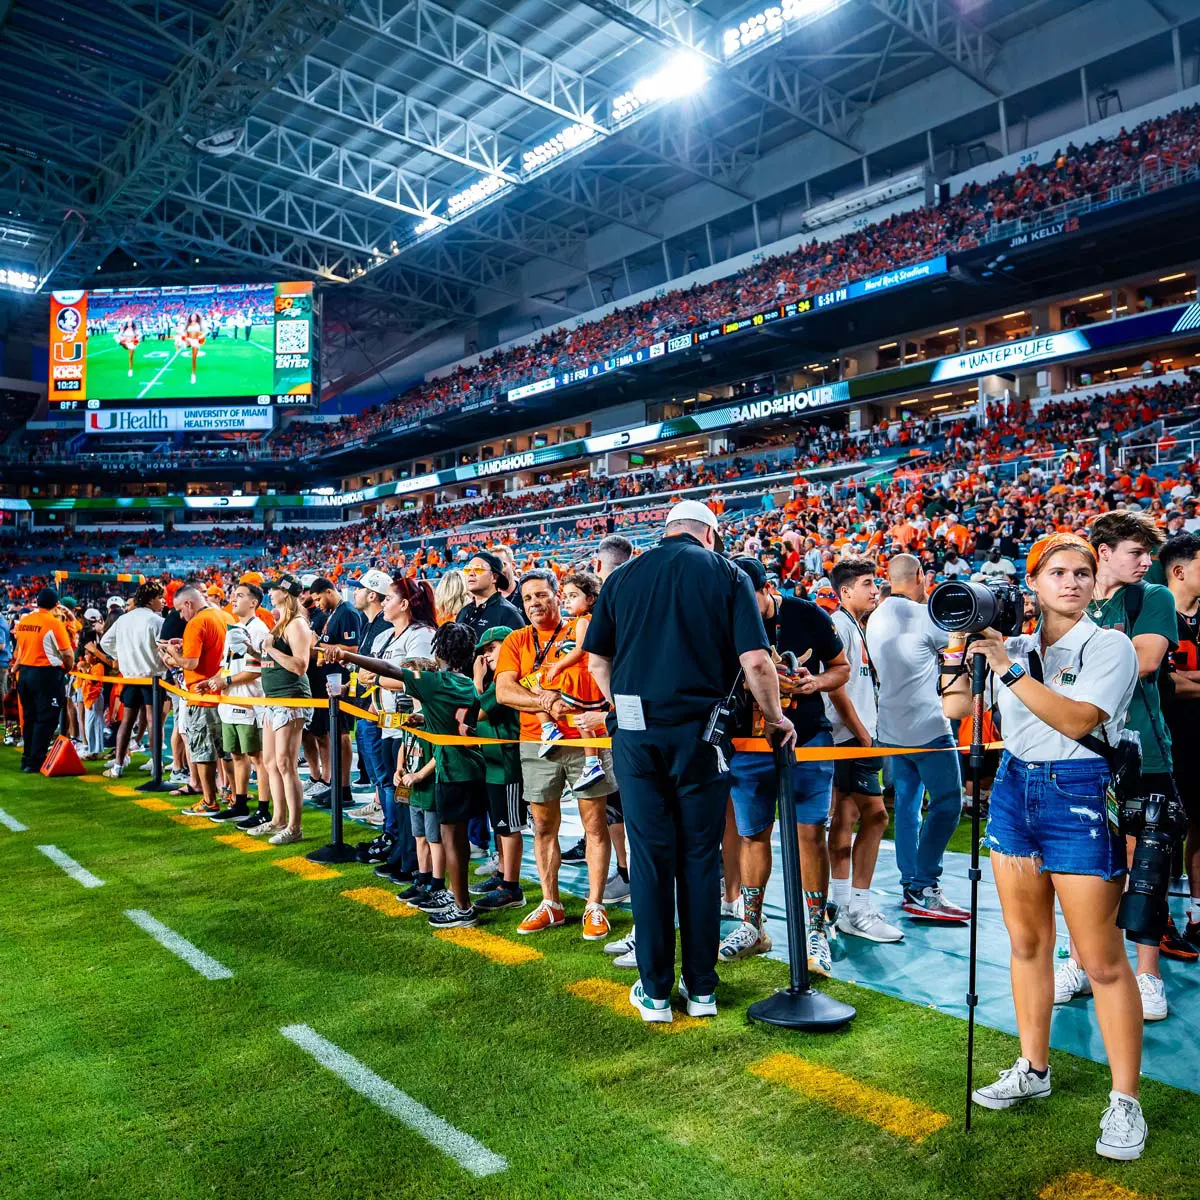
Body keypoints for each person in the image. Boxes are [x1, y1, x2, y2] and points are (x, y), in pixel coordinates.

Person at [942, 532, 1147, 1162]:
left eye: (1083, 572)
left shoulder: (1109, 644)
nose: (1072, 582)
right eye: (1056, 571)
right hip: (1013, 788)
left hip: (1081, 792)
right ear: (1032, 583)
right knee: (1027, 943)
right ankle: (1034, 1067)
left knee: (1101, 957)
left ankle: (1125, 1100)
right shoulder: (1017, 644)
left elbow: (1079, 720)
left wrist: (1004, 665)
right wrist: (961, 647)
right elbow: (952, 705)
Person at [585, 500, 796, 1023]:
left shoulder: (623, 575)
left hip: (636, 732)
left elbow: (596, 660)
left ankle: (655, 992)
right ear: (710, 534)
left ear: (667, 530)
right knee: (701, 858)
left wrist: (621, 707)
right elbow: (754, 659)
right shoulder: (726, 572)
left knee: (652, 859)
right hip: (704, 735)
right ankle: (701, 989)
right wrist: (775, 717)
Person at [1057, 510, 1176, 1020]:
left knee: (1147, 866)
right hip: (1081, 753)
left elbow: (1146, 659)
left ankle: (1148, 975)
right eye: (1136, 552)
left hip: (1145, 750)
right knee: (1081, 865)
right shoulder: (1071, 602)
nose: (1147, 563)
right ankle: (1080, 962)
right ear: (1103, 553)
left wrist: (1081, 659)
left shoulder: (1152, 596)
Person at [721, 554, 851, 976]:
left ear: (766, 589)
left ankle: (816, 930)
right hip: (747, 744)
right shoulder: (722, 617)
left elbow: (841, 668)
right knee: (751, 835)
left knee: (809, 834)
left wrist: (814, 682)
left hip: (808, 740)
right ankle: (753, 925)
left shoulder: (806, 613)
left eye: (748, 597)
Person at [326, 624, 486, 928]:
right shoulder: (465, 683)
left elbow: (388, 669)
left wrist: (348, 655)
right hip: (471, 765)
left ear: (438, 650)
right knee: (458, 840)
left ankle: (462, 907)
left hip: (451, 769)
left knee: (451, 840)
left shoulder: (435, 682)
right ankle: (458, 896)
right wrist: (426, 718)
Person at [496, 568, 617, 942]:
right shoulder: (517, 640)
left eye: (542, 595)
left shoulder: (582, 627)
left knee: (594, 825)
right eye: (528, 597)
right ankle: (552, 903)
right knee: (544, 826)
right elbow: (504, 692)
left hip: (588, 739)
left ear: (557, 596)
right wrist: (546, 701)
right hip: (537, 740)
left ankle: (595, 905)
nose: (535, 603)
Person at [866, 553, 970, 922]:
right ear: (921, 576)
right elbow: (962, 642)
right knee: (948, 802)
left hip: (891, 728)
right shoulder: (926, 616)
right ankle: (925, 885)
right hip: (927, 727)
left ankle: (911, 882)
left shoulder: (875, 615)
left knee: (908, 807)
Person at [824, 558, 902, 944]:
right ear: (845, 591)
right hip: (850, 738)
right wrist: (862, 734)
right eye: (868, 583)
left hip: (852, 736)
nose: (875, 590)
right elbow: (837, 687)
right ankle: (857, 907)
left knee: (846, 817)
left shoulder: (854, 625)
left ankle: (841, 905)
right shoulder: (841, 626)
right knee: (875, 815)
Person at [360, 578, 436, 881]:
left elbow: (414, 679)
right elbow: (370, 672)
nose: (384, 603)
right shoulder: (386, 637)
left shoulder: (421, 636)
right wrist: (378, 692)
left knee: (410, 798)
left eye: (389, 598)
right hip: (389, 725)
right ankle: (403, 854)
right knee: (398, 792)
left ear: (404, 604)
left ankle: (415, 862)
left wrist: (377, 681)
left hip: (411, 725)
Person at [1158, 532, 1200, 955]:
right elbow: (1163, 682)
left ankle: (1197, 916)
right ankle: (1163, 917)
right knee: (1166, 831)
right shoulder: (1157, 611)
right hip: (1166, 738)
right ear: (1180, 570)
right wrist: (1182, 685)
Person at [158, 585, 232, 819]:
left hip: (202, 695)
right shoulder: (222, 615)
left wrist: (172, 653)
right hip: (225, 693)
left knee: (203, 751)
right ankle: (230, 793)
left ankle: (209, 801)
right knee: (227, 751)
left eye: (181, 609)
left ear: (189, 604)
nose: (181, 615)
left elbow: (190, 663)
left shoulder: (197, 622)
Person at [468, 625, 528, 911]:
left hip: (508, 764)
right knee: (500, 826)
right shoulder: (496, 682)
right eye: (483, 652)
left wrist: (477, 681)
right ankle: (502, 874)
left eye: (492, 648)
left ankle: (512, 888)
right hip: (493, 764)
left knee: (509, 826)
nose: (486, 656)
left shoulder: (505, 682)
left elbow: (476, 710)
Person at [252, 575, 313, 844]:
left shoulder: (297, 623)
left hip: (290, 698)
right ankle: (277, 819)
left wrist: (270, 650)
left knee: (286, 763)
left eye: (274, 589)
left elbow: (301, 665)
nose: (270, 593)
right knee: (270, 763)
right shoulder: (282, 621)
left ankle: (294, 826)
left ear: (284, 593)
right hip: (274, 698)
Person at [210, 582, 271, 827]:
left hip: (249, 703)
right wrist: (215, 679)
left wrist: (224, 681)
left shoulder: (258, 629)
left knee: (257, 757)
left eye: (240, 596)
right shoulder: (235, 627)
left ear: (254, 602)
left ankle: (264, 809)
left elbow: (256, 671)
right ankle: (240, 803)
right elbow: (229, 664)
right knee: (235, 754)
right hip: (231, 701)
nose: (234, 600)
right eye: (234, 595)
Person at [539, 570, 607, 791]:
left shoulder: (583, 621)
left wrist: (558, 666)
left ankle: (549, 729)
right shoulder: (585, 620)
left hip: (578, 676)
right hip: (581, 677)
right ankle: (591, 762)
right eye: (565, 596)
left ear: (590, 598)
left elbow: (579, 650)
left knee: (536, 686)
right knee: (580, 720)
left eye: (573, 595)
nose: (567, 600)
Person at [99, 580, 165, 778]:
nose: (162, 602)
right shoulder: (156, 621)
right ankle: (156, 767)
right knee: (153, 722)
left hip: (130, 677)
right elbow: (164, 648)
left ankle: (118, 766)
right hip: (152, 678)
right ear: (152, 599)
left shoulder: (124, 619)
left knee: (127, 722)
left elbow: (105, 642)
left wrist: (121, 656)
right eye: (160, 598)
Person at [309, 577, 364, 810]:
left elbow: (354, 649)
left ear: (329, 592)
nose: (318, 604)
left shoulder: (347, 613)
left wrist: (329, 649)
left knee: (342, 734)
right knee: (333, 733)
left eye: (319, 598)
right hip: (329, 680)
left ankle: (345, 790)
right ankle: (337, 787)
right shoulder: (334, 613)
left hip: (342, 681)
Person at [13, 587, 74, 773]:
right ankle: (35, 761)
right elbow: (67, 653)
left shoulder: (24, 622)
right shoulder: (54, 624)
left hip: (25, 672)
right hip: (46, 674)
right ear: (56, 605)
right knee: (46, 718)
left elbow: (20, 649)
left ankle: (27, 757)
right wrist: (67, 668)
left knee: (30, 716)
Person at [456, 552, 525, 643]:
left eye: (478, 569)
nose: (471, 574)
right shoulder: (463, 612)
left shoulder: (508, 613)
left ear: (494, 577)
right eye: (467, 570)